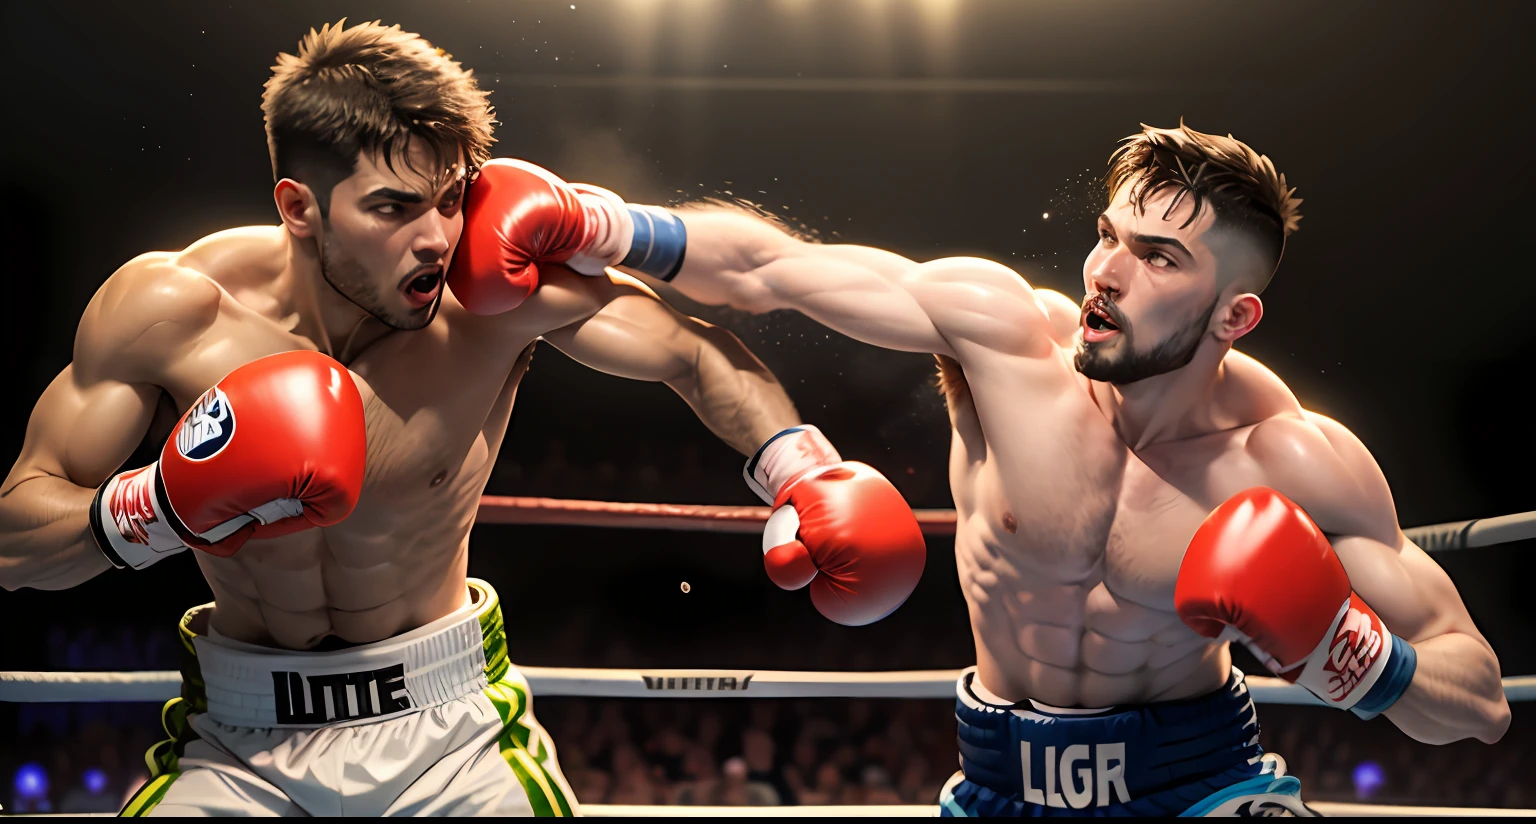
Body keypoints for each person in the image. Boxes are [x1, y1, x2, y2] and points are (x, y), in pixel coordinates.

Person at [0, 19, 926, 816]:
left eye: (450, 199)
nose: (439, 238)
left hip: (452, 735)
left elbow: (693, 351)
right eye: (394, 209)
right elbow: (14, 544)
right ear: (299, 208)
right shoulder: (168, 313)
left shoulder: (493, 303)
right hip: (239, 736)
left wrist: (800, 469)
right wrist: (156, 506)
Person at [567, 121, 1512, 815]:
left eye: (1158, 257)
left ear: (1234, 316)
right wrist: (604, 225)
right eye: (1109, 235)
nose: (1107, 270)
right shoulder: (1005, 342)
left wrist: (1355, 655)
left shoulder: (1290, 458)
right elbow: (769, 269)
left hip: (1197, 786)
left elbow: (1475, 704)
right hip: (993, 784)